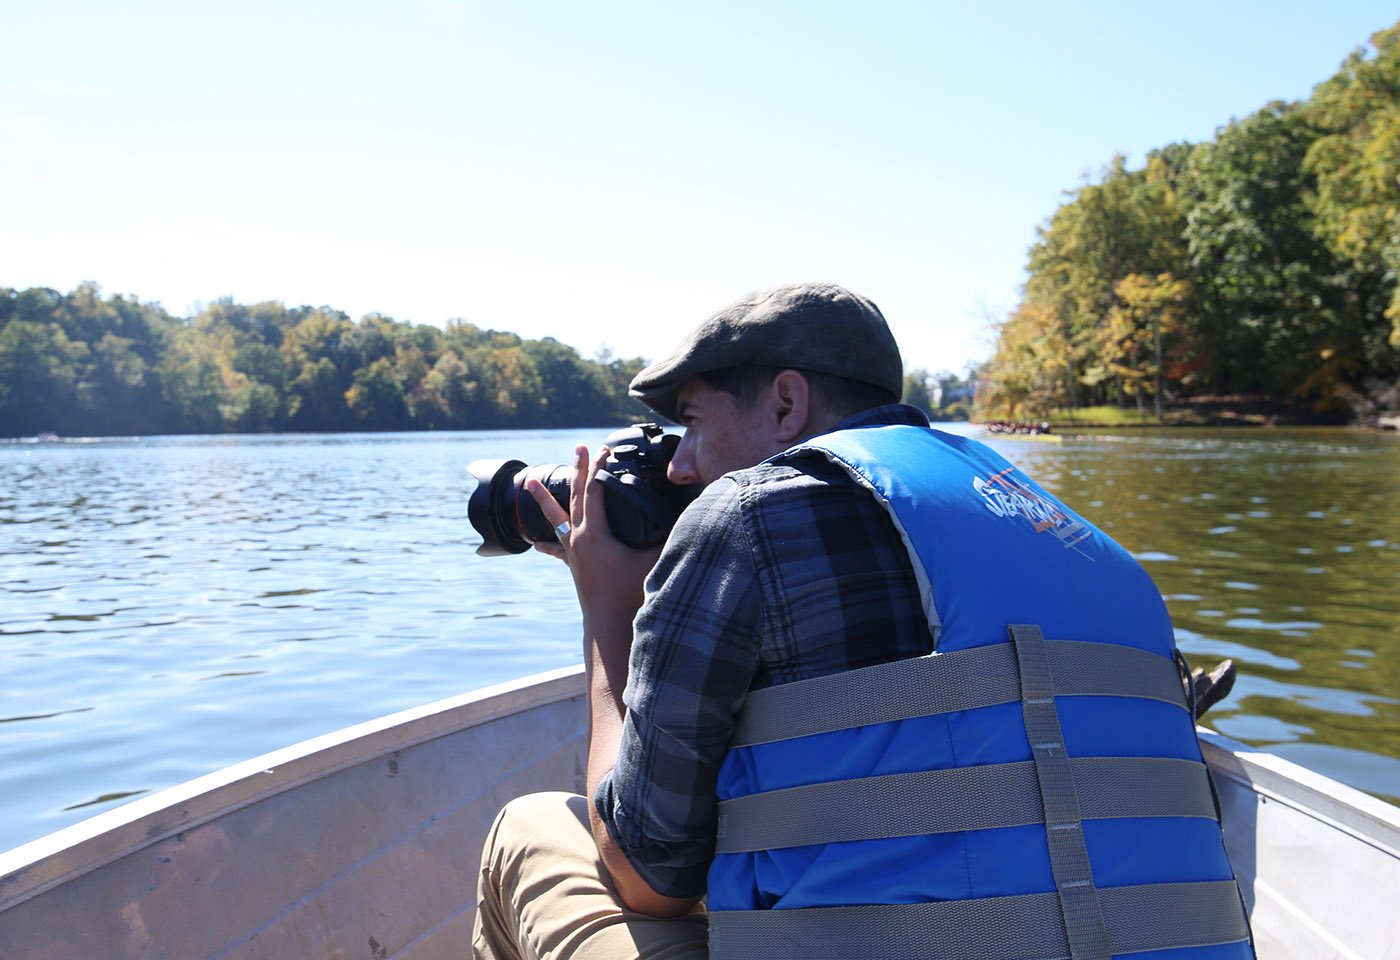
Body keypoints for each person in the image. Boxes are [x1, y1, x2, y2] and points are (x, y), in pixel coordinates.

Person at [472, 283, 1252, 960]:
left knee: (530, 828)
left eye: (694, 422)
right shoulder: (1097, 551)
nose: (678, 465)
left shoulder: (745, 519)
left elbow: (647, 876)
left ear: (786, 402)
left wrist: (608, 609)